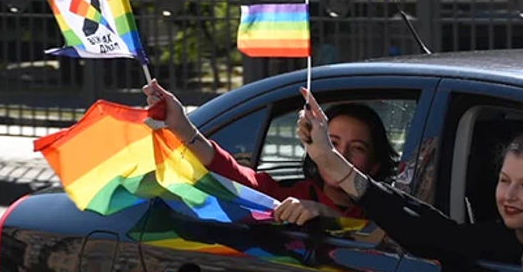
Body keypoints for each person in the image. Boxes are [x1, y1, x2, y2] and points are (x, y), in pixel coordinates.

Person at [295, 87, 523, 264]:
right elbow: (421, 226)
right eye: (504, 181)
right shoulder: (489, 240)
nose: (509, 196)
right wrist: (334, 165)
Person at [141, 80, 398, 225]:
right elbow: (235, 176)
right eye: (331, 143)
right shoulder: (287, 196)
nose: (340, 155)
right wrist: (184, 128)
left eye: (358, 148)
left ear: (375, 165)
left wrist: (325, 214)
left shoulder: (386, 209)